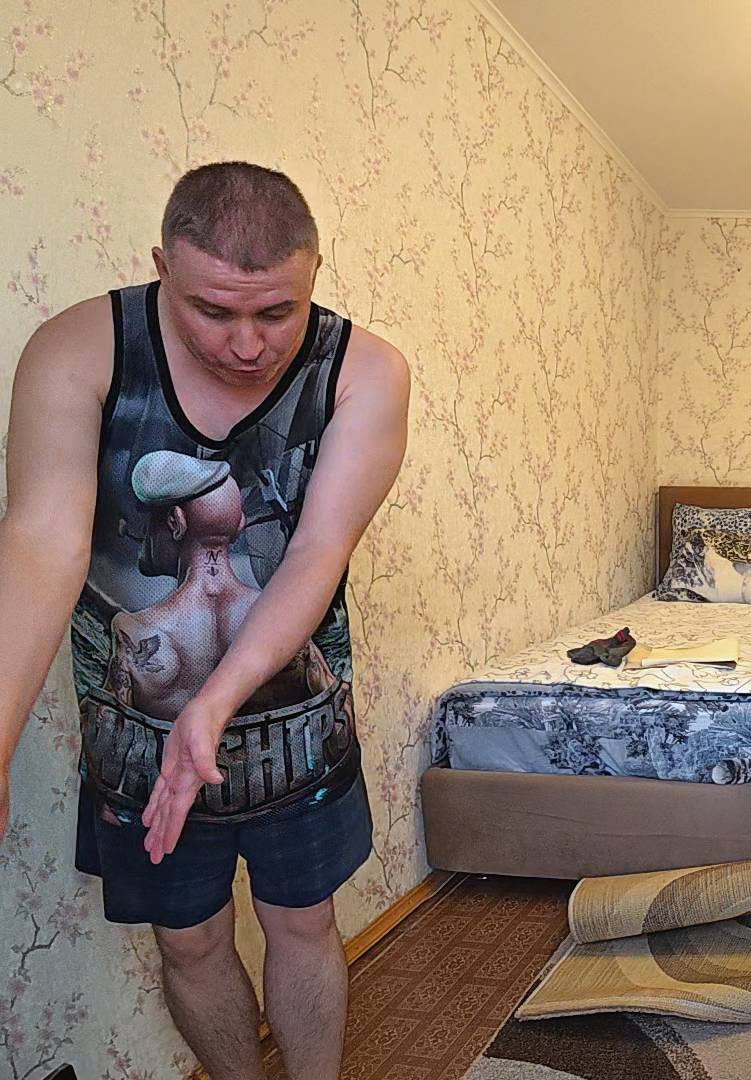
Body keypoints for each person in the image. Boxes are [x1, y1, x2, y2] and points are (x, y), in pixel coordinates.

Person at [0, 162, 409, 1079]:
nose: (248, 344)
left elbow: (315, 553)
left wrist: (215, 704)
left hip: (295, 729)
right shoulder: (79, 352)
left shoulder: (365, 371)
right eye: (213, 312)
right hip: (135, 740)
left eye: (277, 313)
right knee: (187, 940)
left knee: (302, 922)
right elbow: (42, 539)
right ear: (162, 268)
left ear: (314, 273)